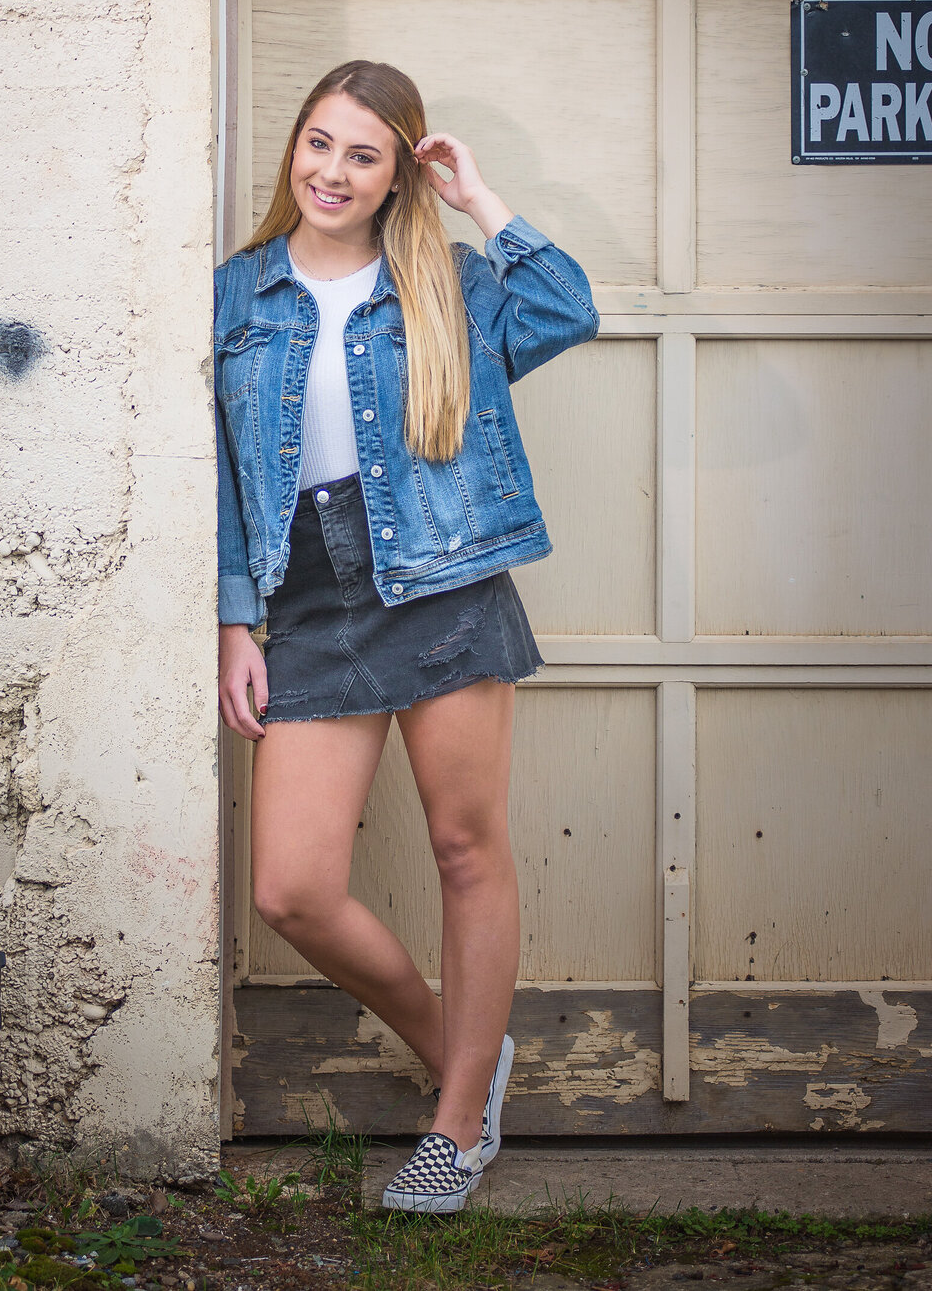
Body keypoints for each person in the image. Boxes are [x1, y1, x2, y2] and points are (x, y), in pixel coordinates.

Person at [215, 60, 598, 1214]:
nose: (332, 170)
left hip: (444, 584)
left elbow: (570, 307)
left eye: (363, 154)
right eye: (318, 143)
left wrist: (479, 196)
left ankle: (453, 1126)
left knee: (466, 849)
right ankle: (468, 1060)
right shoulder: (239, 293)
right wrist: (238, 616)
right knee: (291, 887)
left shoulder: (452, 283)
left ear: (397, 174)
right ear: (296, 148)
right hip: (311, 601)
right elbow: (226, 476)